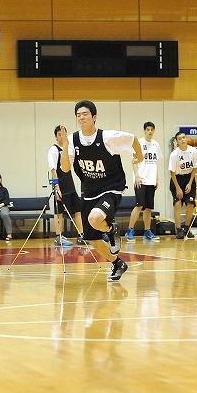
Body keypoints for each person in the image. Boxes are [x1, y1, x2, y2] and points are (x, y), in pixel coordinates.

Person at [58, 100, 143, 282]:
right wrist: (65, 145)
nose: (81, 117)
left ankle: (111, 230)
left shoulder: (108, 137)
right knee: (93, 238)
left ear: (94, 117)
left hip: (111, 188)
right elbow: (65, 168)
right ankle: (118, 263)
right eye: (78, 115)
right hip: (89, 191)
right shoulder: (72, 140)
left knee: (95, 218)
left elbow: (133, 139)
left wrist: (140, 157)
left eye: (85, 114)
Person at [48, 126, 84, 247]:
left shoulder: (68, 149)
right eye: (59, 134)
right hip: (61, 185)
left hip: (70, 184)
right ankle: (58, 237)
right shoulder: (54, 150)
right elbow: (53, 170)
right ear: (56, 137)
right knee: (59, 212)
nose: (62, 136)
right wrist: (56, 188)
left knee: (78, 209)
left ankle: (81, 235)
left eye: (63, 134)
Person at [126, 121, 162, 242]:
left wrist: (156, 178)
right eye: (148, 129)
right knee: (139, 205)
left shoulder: (156, 144)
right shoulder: (139, 143)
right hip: (140, 179)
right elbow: (134, 160)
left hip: (151, 180)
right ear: (144, 130)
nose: (150, 131)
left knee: (148, 208)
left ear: (154, 131)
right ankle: (130, 230)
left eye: (152, 129)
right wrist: (136, 175)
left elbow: (155, 163)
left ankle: (147, 231)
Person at [169, 131, 197, 239]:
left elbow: (194, 168)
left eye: (184, 137)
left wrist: (190, 183)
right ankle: (178, 229)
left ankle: (187, 228)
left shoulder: (193, 151)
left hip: (189, 178)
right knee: (178, 204)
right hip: (177, 179)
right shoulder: (174, 154)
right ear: (177, 141)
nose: (182, 139)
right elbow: (172, 172)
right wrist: (178, 188)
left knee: (191, 204)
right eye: (180, 138)